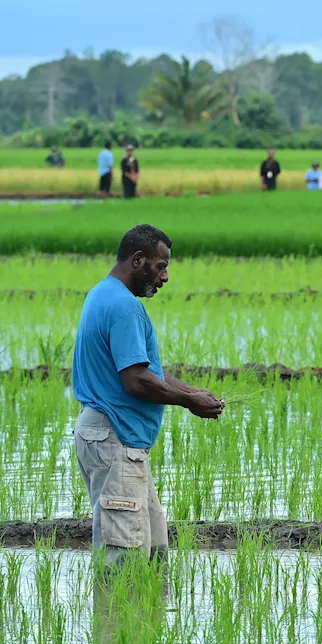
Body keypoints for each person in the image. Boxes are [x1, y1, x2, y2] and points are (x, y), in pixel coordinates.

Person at [71, 225, 224, 569]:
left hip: (115, 440)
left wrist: (192, 391)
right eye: (160, 266)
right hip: (116, 441)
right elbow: (136, 381)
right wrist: (189, 403)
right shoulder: (124, 307)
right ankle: (115, 622)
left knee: (153, 553)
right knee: (123, 562)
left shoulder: (103, 293)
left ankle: (144, 621)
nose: (166, 276)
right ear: (138, 260)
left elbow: (145, 370)